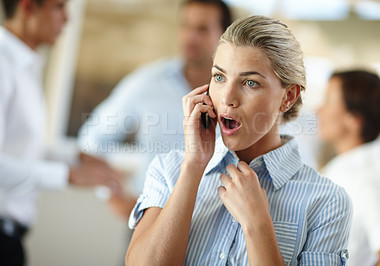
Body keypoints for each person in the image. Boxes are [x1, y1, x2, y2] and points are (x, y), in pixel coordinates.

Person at [125, 15, 353, 265]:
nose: (228, 98)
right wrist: (193, 166)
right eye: (219, 77)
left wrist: (258, 225)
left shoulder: (327, 202)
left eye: (250, 82)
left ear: (288, 96)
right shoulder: (167, 171)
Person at [78, 0, 232, 219]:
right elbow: (92, 138)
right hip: (149, 223)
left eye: (202, 29)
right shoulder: (148, 82)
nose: (190, 37)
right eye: (186, 26)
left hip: (215, 232)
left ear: (225, 35)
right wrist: (112, 193)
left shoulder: (237, 95)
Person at [0, 0, 123, 265]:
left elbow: (18, 148)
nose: (67, 20)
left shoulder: (22, 65)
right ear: (28, 7)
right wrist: (68, 175)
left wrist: (74, 156)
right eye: (59, 7)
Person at [318, 70, 380, 266]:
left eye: (328, 101)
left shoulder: (370, 176)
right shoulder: (344, 166)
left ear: (354, 120)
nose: (319, 110)